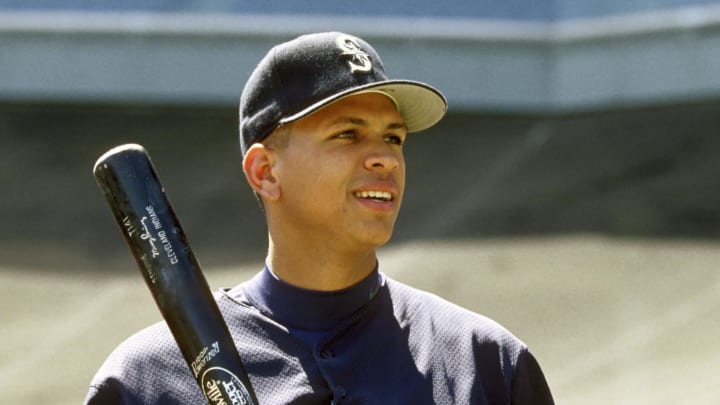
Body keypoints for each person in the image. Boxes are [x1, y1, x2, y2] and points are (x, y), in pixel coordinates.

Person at [84, 32, 554, 404]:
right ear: (265, 172)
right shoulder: (146, 382)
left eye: (393, 139)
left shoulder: (487, 366)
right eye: (348, 134)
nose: (385, 160)